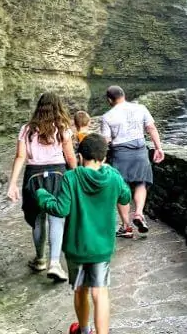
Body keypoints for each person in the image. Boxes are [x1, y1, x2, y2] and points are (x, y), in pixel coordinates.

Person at [35, 133, 131, 334]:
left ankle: (84, 330)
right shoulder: (112, 176)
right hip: (101, 247)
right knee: (100, 292)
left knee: (80, 289)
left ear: (80, 156)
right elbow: (125, 196)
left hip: (76, 247)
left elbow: (61, 209)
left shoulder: (71, 178)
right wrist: (113, 174)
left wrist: (43, 195)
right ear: (104, 158)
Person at [7, 92, 77, 282]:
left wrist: (12, 183)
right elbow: (70, 157)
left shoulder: (27, 129)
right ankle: (55, 263)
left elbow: (20, 157)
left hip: (33, 177)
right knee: (57, 218)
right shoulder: (62, 128)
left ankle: (40, 260)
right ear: (58, 107)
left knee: (38, 219)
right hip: (58, 175)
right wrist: (78, 176)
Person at [100, 85, 164, 238]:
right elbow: (151, 128)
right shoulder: (140, 108)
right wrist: (158, 148)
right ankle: (139, 214)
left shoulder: (107, 116)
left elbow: (106, 141)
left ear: (109, 100)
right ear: (124, 94)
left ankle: (126, 227)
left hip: (120, 153)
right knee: (141, 183)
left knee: (122, 189)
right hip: (140, 150)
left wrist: (100, 161)